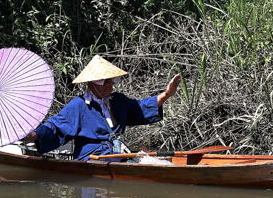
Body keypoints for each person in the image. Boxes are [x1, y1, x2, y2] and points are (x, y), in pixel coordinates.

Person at [23, 55, 181, 161]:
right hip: (92, 157)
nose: (111, 85)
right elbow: (55, 127)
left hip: (116, 154)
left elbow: (139, 108)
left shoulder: (118, 100)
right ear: (92, 84)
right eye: (106, 81)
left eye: (112, 81)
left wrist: (166, 94)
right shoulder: (78, 105)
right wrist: (29, 135)